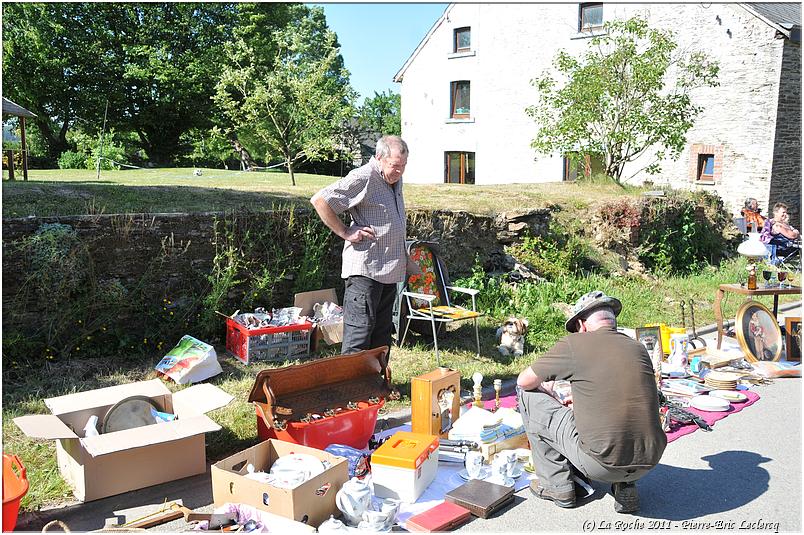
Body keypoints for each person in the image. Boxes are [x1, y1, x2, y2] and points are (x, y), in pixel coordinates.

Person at [516, 290, 666, 514]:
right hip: (649, 460)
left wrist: (547, 391)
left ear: (581, 325)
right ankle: (625, 484)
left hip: (601, 464)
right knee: (627, 421)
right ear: (612, 320)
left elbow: (524, 381)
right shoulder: (638, 347)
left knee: (527, 396)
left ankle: (557, 486)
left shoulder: (575, 343)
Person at [311, 135, 410, 355]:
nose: (399, 171)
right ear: (379, 158)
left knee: (381, 337)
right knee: (359, 336)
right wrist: (345, 232)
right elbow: (320, 200)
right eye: (395, 165)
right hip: (365, 272)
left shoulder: (394, 178)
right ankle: (351, 379)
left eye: (403, 166)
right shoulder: (363, 177)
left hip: (388, 272)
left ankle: (377, 377)